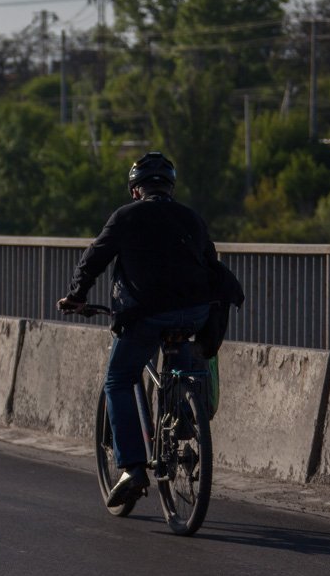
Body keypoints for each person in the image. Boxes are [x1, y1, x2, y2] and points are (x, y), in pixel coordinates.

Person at [57, 152, 219, 507]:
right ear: (170, 188)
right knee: (178, 368)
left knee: (118, 380)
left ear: (135, 190)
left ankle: (132, 468)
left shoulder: (126, 216)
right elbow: (211, 263)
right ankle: (182, 422)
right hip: (194, 314)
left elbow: (94, 259)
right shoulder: (191, 218)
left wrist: (76, 296)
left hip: (146, 315)